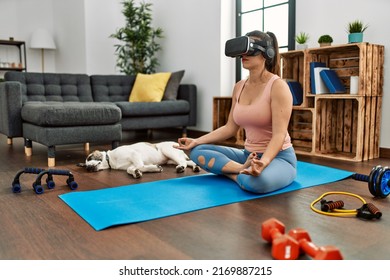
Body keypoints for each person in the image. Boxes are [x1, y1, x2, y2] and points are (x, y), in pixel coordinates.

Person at [176, 30, 297, 194]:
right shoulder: (239, 86)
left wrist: (264, 162)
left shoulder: (278, 86)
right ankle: (240, 169)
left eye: (250, 50)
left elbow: (279, 135)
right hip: (248, 156)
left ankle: (230, 173)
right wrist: (196, 141)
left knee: (257, 183)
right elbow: (230, 128)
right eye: (242, 52)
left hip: (279, 158)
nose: (243, 55)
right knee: (196, 151)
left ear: (266, 54)